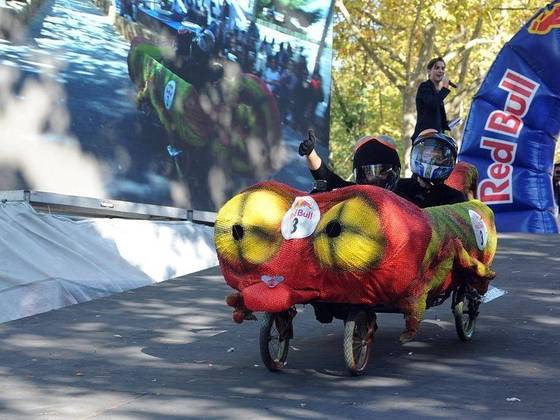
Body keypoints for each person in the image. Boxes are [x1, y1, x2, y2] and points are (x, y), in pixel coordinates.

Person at [298, 130, 401, 192]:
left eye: (382, 172)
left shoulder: (407, 193)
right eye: (367, 172)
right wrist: (311, 153)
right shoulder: (352, 193)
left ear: (394, 174)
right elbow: (327, 178)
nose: (373, 178)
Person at [398, 130, 467, 207]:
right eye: (427, 155)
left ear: (446, 161)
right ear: (418, 155)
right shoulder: (399, 187)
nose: (431, 160)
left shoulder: (454, 198)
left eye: (438, 158)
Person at [411, 57, 451, 141]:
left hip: (436, 138)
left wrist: (446, 123)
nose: (441, 71)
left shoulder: (437, 92)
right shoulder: (425, 86)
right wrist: (445, 89)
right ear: (429, 71)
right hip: (425, 138)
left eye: (443, 68)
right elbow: (432, 104)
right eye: (437, 68)